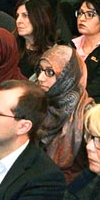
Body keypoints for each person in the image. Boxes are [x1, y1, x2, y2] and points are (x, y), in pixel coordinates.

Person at [36, 45, 94, 182]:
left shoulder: (87, 116)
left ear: (68, 76)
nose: (40, 78)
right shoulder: (37, 102)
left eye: (50, 72)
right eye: (40, 70)